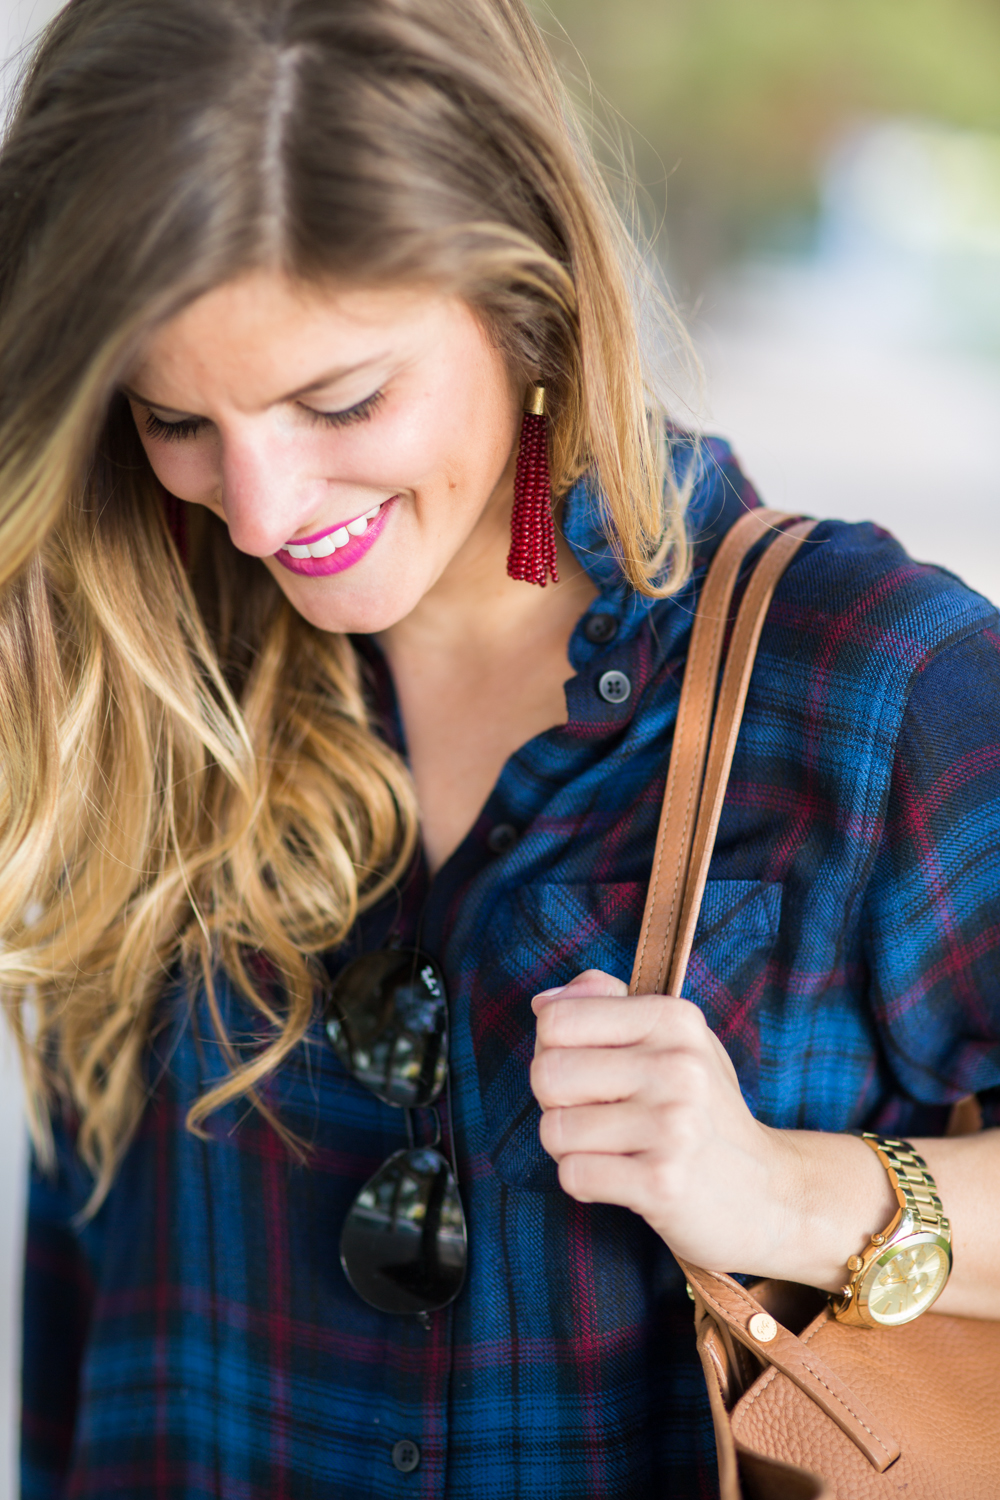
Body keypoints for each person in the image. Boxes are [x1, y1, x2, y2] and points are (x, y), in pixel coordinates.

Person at [2, 1, 998, 1496]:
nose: (264, 511)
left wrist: (794, 1195)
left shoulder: (871, 682)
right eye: (172, 418)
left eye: (340, 400)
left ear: (524, 295)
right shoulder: (128, 661)